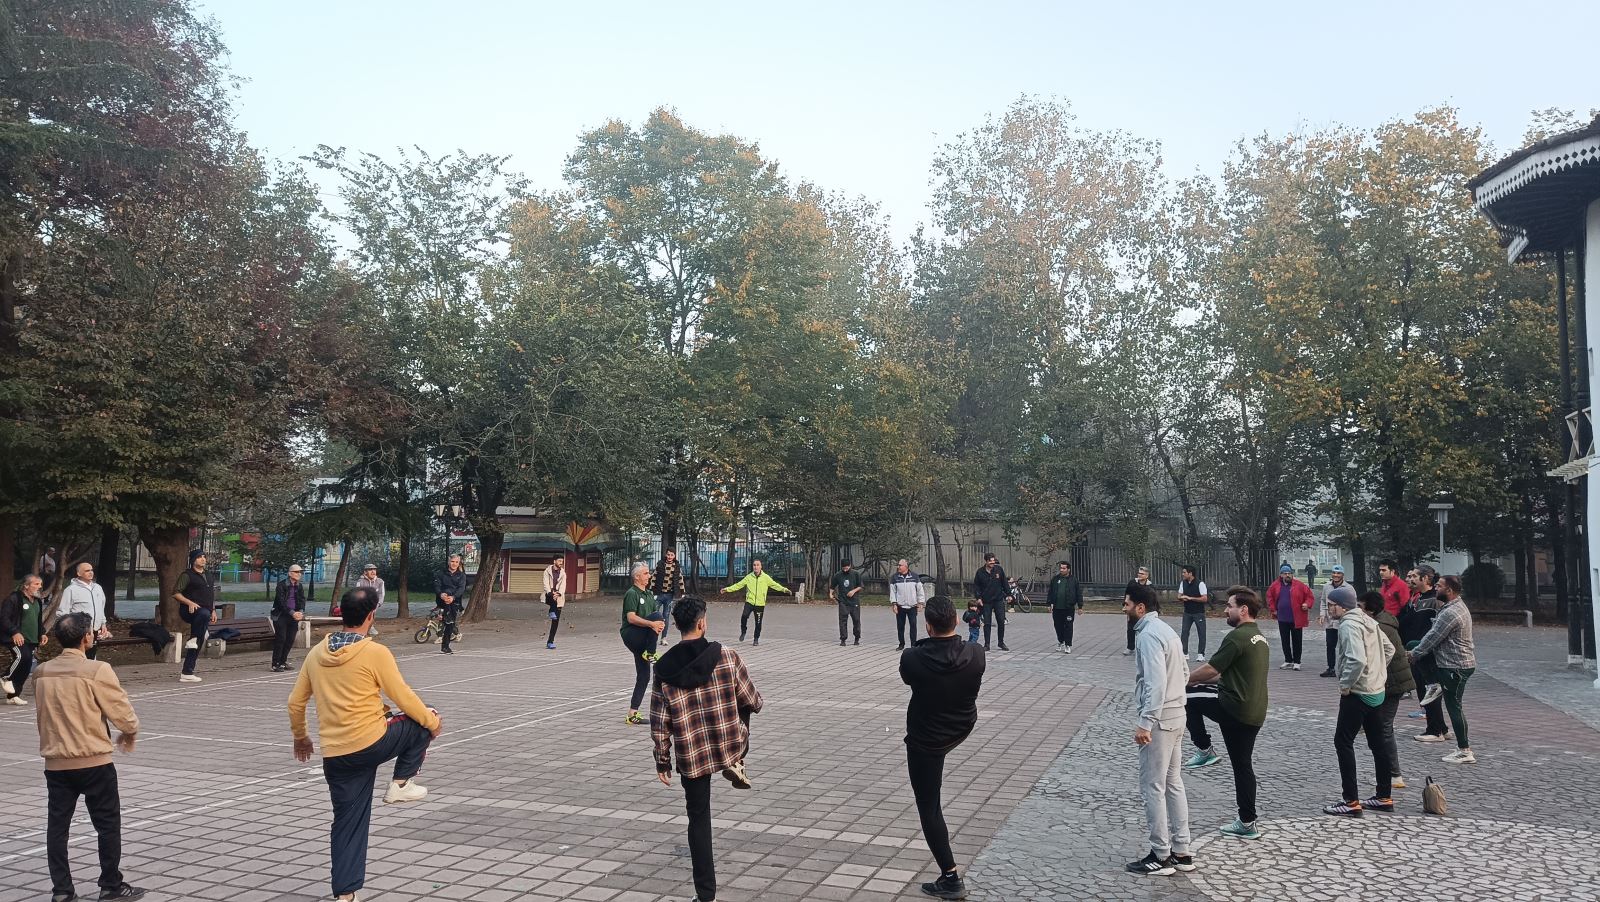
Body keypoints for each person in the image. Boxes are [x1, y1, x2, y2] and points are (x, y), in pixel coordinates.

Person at [289, 587, 440, 902]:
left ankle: (345, 896)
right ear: (371, 616)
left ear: (342, 615)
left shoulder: (316, 654)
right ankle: (401, 783)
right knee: (423, 719)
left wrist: (301, 736)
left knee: (347, 822)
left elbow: (295, 702)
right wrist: (432, 722)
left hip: (336, 755)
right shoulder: (375, 652)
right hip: (372, 742)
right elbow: (403, 696)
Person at [651, 594, 763, 902]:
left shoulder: (663, 668)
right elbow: (754, 700)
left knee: (698, 818)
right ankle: (736, 759)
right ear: (702, 623)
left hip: (692, 752)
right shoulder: (726, 655)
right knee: (743, 710)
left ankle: (705, 895)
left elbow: (659, 721)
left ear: (677, 625)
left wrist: (662, 760)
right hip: (727, 741)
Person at [34, 612, 145, 902]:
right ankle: (110, 885)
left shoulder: (42, 672)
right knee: (107, 824)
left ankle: (62, 891)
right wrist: (130, 731)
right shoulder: (97, 669)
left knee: (57, 828)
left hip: (56, 761)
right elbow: (121, 711)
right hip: (94, 760)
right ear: (86, 637)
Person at [901, 595, 985, 899]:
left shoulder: (912, 658)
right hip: (961, 726)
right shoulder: (976, 654)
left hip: (926, 739)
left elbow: (909, 677)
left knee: (929, 807)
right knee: (931, 801)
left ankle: (950, 878)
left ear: (928, 626)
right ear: (956, 620)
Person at [1181, 586, 1269, 839]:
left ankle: (1204, 749)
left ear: (1243, 610)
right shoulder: (1259, 637)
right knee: (1243, 767)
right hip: (1254, 713)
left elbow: (1211, 669)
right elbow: (1225, 675)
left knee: (1185, 696)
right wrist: (1194, 680)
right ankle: (1247, 822)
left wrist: (1182, 678)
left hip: (1234, 707)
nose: (1225, 611)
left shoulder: (1237, 637)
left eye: (1229, 606)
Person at [1124, 584, 1193, 876]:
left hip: (1160, 720)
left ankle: (1160, 855)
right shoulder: (1166, 630)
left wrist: (1146, 722)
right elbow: (1185, 672)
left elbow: (1155, 682)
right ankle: (1182, 851)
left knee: (1152, 786)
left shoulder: (1149, 635)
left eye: (1127, 604)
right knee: (1173, 782)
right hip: (1177, 714)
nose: (1124, 608)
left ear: (1140, 607)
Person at [1322, 587, 1394, 817]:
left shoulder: (1348, 625)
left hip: (1358, 693)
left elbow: (1357, 659)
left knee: (1343, 742)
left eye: (1331, 605)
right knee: (1378, 744)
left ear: (1342, 606)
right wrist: (1377, 673)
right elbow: (1389, 649)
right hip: (1376, 690)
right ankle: (1384, 796)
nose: (1329, 609)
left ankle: (1351, 801)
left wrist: (1346, 684)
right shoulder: (1368, 620)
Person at [1408, 574, 1476, 764]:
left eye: (1439, 586)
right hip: (1451, 663)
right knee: (1414, 644)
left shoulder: (1451, 612)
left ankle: (1464, 750)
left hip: (1455, 666)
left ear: (1449, 590)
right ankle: (1433, 684)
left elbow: (1433, 637)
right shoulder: (1451, 606)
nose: (1435, 588)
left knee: (1454, 707)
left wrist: (1413, 654)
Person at [1360, 589, 1413, 789]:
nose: (1357, 611)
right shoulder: (1384, 622)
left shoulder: (1378, 627)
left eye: (1360, 607)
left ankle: (1393, 774)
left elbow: (1384, 655)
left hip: (1391, 683)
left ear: (1370, 610)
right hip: (1392, 681)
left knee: (1384, 729)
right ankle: (1390, 773)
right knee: (1382, 727)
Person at [1399, 565, 1447, 738]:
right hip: (1416, 651)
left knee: (1429, 689)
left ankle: (1434, 731)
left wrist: (1423, 647)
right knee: (1424, 689)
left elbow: (1437, 628)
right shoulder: (1419, 598)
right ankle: (1441, 728)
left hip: (1428, 652)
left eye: (1414, 576)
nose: (1410, 579)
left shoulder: (1435, 600)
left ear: (1426, 578)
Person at [622, 563, 665, 725]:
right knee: (657, 616)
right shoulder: (632, 593)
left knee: (644, 676)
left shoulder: (648, 594)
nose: (649, 576)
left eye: (649, 573)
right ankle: (650, 652)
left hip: (643, 638)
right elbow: (631, 618)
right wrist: (652, 623)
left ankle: (632, 714)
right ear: (637, 577)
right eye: (646, 573)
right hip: (631, 634)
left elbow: (654, 620)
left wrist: (659, 625)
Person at [721, 558, 790, 646]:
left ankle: (756, 639)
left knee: (758, 622)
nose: (756, 567)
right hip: (749, 602)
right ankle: (743, 631)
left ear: (761, 567)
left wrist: (784, 590)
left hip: (760, 604)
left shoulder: (766, 577)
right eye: (754, 565)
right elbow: (738, 585)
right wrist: (727, 589)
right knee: (744, 616)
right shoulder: (749, 577)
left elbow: (774, 585)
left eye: (757, 565)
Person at [2, 574, 46, 705]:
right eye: (36, 584)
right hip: (15, 638)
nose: (40, 587)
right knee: (22, 656)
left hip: (31, 639)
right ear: (26, 585)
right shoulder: (14, 598)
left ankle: (13, 696)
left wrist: (42, 634)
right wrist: (15, 632)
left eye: (40, 584)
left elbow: (37, 621)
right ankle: (5, 678)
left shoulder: (37, 601)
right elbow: (4, 618)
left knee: (26, 667)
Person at [174, 551, 215, 683]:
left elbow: (210, 595)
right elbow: (176, 593)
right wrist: (189, 602)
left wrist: (213, 610)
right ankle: (193, 637)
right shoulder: (187, 575)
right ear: (193, 560)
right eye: (199, 557)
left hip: (204, 613)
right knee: (203, 615)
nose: (203, 559)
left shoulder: (209, 575)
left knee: (198, 642)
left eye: (204, 557)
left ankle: (187, 672)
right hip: (190, 611)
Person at [1265, 564, 1313, 670]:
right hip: (1282, 618)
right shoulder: (1275, 585)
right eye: (1285, 573)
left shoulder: (1299, 585)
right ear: (1281, 575)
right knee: (1284, 640)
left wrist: (1307, 604)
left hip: (1296, 617)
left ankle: (1297, 662)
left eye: (1289, 573)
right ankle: (1288, 660)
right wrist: (1273, 609)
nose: (1288, 575)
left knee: (1297, 640)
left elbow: (1309, 596)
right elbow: (1269, 597)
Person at [60, 562, 110, 660]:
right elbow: (63, 612)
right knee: (79, 659)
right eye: (87, 571)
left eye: (92, 570)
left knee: (91, 657)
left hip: (94, 631)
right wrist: (69, 630)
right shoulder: (70, 590)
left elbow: (101, 607)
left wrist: (103, 623)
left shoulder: (98, 588)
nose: (91, 572)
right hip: (79, 632)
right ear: (79, 573)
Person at [271, 564, 309, 672]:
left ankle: (283, 662)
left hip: (293, 616)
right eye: (297, 572)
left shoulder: (299, 586)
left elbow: (302, 600)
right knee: (281, 639)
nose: (299, 574)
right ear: (290, 573)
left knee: (290, 639)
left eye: (300, 572)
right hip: (281, 615)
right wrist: (292, 613)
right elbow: (281, 602)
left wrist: (300, 612)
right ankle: (275, 663)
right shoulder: (281, 585)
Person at [972, 553, 1010, 651]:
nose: (993, 563)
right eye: (990, 561)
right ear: (986, 561)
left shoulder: (999, 570)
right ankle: (987, 644)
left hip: (998, 599)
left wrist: (1009, 594)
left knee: (1001, 621)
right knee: (987, 623)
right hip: (986, 601)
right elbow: (976, 586)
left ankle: (1001, 642)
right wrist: (978, 598)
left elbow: (1004, 583)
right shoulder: (980, 572)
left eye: (993, 561)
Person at [1317, 565, 1350, 677]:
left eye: (1338, 573)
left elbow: (1352, 604)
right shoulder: (1327, 586)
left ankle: (1345, 669)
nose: (1336, 575)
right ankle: (1331, 668)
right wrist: (1322, 615)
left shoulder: (1348, 588)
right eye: (1334, 573)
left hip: (1343, 622)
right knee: (1330, 645)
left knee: (1344, 646)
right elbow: (1323, 601)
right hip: (1330, 621)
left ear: (1343, 575)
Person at [650, 548, 687, 647]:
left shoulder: (677, 566)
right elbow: (654, 577)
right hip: (659, 594)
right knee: (654, 615)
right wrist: (652, 591)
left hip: (669, 596)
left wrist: (682, 592)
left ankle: (663, 638)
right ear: (666, 555)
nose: (670, 557)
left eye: (672, 555)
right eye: (668, 554)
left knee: (666, 616)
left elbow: (680, 579)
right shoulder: (660, 564)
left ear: (674, 556)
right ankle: (652, 637)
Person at [889, 559, 927, 650]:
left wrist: (921, 603)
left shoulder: (914, 576)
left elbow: (920, 590)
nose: (898, 567)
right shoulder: (895, 577)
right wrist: (894, 604)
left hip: (912, 606)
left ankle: (913, 644)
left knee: (913, 626)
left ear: (906, 566)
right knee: (900, 626)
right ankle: (901, 644)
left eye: (900, 565)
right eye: (898, 565)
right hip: (900, 606)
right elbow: (893, 592)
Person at [1047, 561, 1083, 653]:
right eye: (1061, 568)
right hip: (1057, 608)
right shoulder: (1055, 579)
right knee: (1058, 626)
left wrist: (1080, 606)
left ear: (1068, 569)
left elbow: (1078, 593)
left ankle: (1068, 644)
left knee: (1068, 626)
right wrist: (1049, 604)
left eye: (1064, 568)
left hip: (1069, 608)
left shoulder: (1073, 580)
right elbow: (1050, 592)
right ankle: (1060, 641)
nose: (1061, 570)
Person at [435, 554, 467, 655]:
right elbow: (437, 586)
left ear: (459, 563)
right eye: (452, 561)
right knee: (446, 621)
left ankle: (445, 646)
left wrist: (453, 597)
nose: (454, 564)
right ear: (449, 562)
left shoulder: (461, 575)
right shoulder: (441, 573)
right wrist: (441, 594)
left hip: (454, 601)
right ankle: (443, 617)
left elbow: (461, 589)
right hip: (442, 601)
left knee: (450, 623)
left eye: (456, 562)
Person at [1177, 565, 1210, 662]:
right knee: (1184, 632)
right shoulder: (1183, 583)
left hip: (1199, 612)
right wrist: (1181, 598)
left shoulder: (1200, 584)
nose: (1182, 574)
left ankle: (1201, 654)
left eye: (1184, 572)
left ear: (1190, 573)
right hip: (1187, 612)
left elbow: (1204, 598)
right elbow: (1179, 595)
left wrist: (1191, 598)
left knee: (1201, 633)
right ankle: (1184, 653)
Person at [830, 561, 865, 646]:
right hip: (843, 601)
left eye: (847, 568)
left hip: (854, 601)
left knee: (856, 620)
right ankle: (843, 639)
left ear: (850, 566)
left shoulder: (855, 574)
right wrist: (830, 594)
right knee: (842, 620)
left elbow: (861, 586)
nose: (845, 570)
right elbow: (832, 586)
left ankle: (857, 638)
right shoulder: (838, 575)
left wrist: (853, 591)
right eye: (843, 568)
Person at [1123, 566, 1153, 655]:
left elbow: (1152, 599)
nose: (1139, 575)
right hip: (1132, 609)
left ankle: (1144, 648)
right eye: (1139, 573)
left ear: (1147, 575)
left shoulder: (1150, 586)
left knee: (1144, 630)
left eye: (1142, 574)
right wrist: (1126, 606)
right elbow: (1127, 595)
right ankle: (1130, 647)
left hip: (1144, 611)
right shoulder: (1132, 583)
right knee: (1130, 629)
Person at [541, 556, 564, 650]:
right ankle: (551, 611)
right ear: (554, 561)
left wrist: (558, 593)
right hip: (549, 594)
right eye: (559, 561)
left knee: (556, 620)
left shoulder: (563, 573)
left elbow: (563, 585)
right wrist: (551, 593)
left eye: (562, 561)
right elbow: (545, 583)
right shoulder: (547, 571)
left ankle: (550, 642)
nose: (561, 562)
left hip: (558, 596)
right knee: (552, 600)